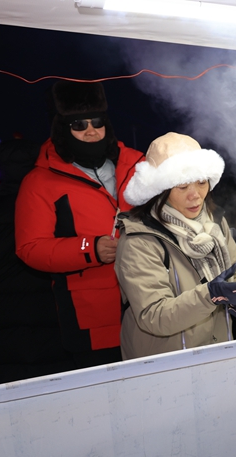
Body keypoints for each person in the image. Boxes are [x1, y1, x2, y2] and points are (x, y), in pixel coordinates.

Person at [15, 81, 144, 369]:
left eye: (97, 122)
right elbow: (29, 248)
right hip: (94, 317)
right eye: (78, 124)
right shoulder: (40, 181)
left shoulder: (137, 165)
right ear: (62, 128)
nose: (90, 130)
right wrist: (90, 248)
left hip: (151, 305)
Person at [115, 132, 236, 360]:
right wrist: (210, 296)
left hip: (219, 355)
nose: (195, 196)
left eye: (201, 183)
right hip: (165, 368)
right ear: (159, 191)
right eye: (182, 187)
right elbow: (154, 315)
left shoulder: (215, 222)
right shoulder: (140, 240)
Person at [0, 137, 75, 384]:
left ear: (0, 172)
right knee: (56, 384)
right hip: (49, 308)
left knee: (11, 384)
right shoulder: (54, 209)